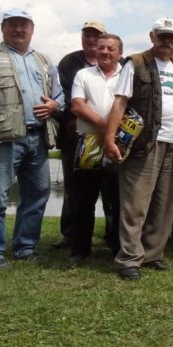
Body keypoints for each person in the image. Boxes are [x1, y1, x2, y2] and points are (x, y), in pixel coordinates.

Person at [0, 7, 62, 270]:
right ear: (2, 27)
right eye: (13, 24)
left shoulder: (43, 59)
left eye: (24, 24)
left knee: (38, 194)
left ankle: (25, 248)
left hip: (37, 138)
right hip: (1, 139)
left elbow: (60, 94)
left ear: (32, 29)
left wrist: (54, 105)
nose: (19, 29)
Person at [103, 17, 173, 280]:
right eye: (161, 36)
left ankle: (153, 254)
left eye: (171, 36)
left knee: (163, 205)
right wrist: (110, 139)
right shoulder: (136, 63)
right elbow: (120, 103)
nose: (166, 41)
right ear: (152, 37)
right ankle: (130, 259)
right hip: (144, 144)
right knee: (135, 203)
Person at [68, 33, 123, 265]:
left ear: (120, 53)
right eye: (101, 48)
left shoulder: (127, 75)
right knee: (83, 200)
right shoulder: (83, 74)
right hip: (88, 144)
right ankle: (80, 250)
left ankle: (117, 246)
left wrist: (111, 133)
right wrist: (105, 126)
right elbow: (78, 105)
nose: (105, 52)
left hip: (119, 145)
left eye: (111, 48)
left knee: (117, 200)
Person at [53, 20, 106, 249]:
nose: (92, 39)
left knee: (110, 187)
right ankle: (70, 234)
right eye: (87, 35)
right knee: (74, 189)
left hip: (106, 135)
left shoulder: (118, 62)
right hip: (73, 135)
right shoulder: (69, 62)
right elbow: (64, 96)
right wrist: (75, 119)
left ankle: (111, 236)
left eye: (96, 35)